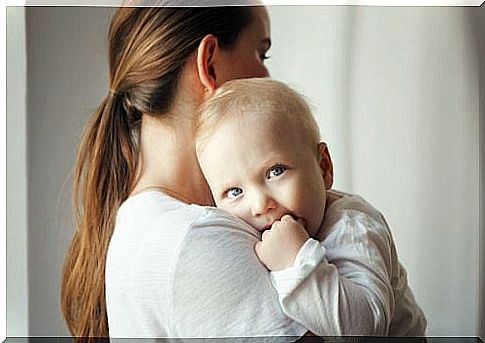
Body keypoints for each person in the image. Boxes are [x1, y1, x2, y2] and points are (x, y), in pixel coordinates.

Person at [60, 5, 311, 339]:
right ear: (209, 63)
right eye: (260, 54)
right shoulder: (196, 238)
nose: (267, 78)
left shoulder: (144, 221)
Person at [195, 78, 427, 336]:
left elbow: (365, 330)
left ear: (324, 167)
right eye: (235, 192)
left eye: (275, 171)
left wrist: (295, 262)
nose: (260, 204)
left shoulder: (352, 226)